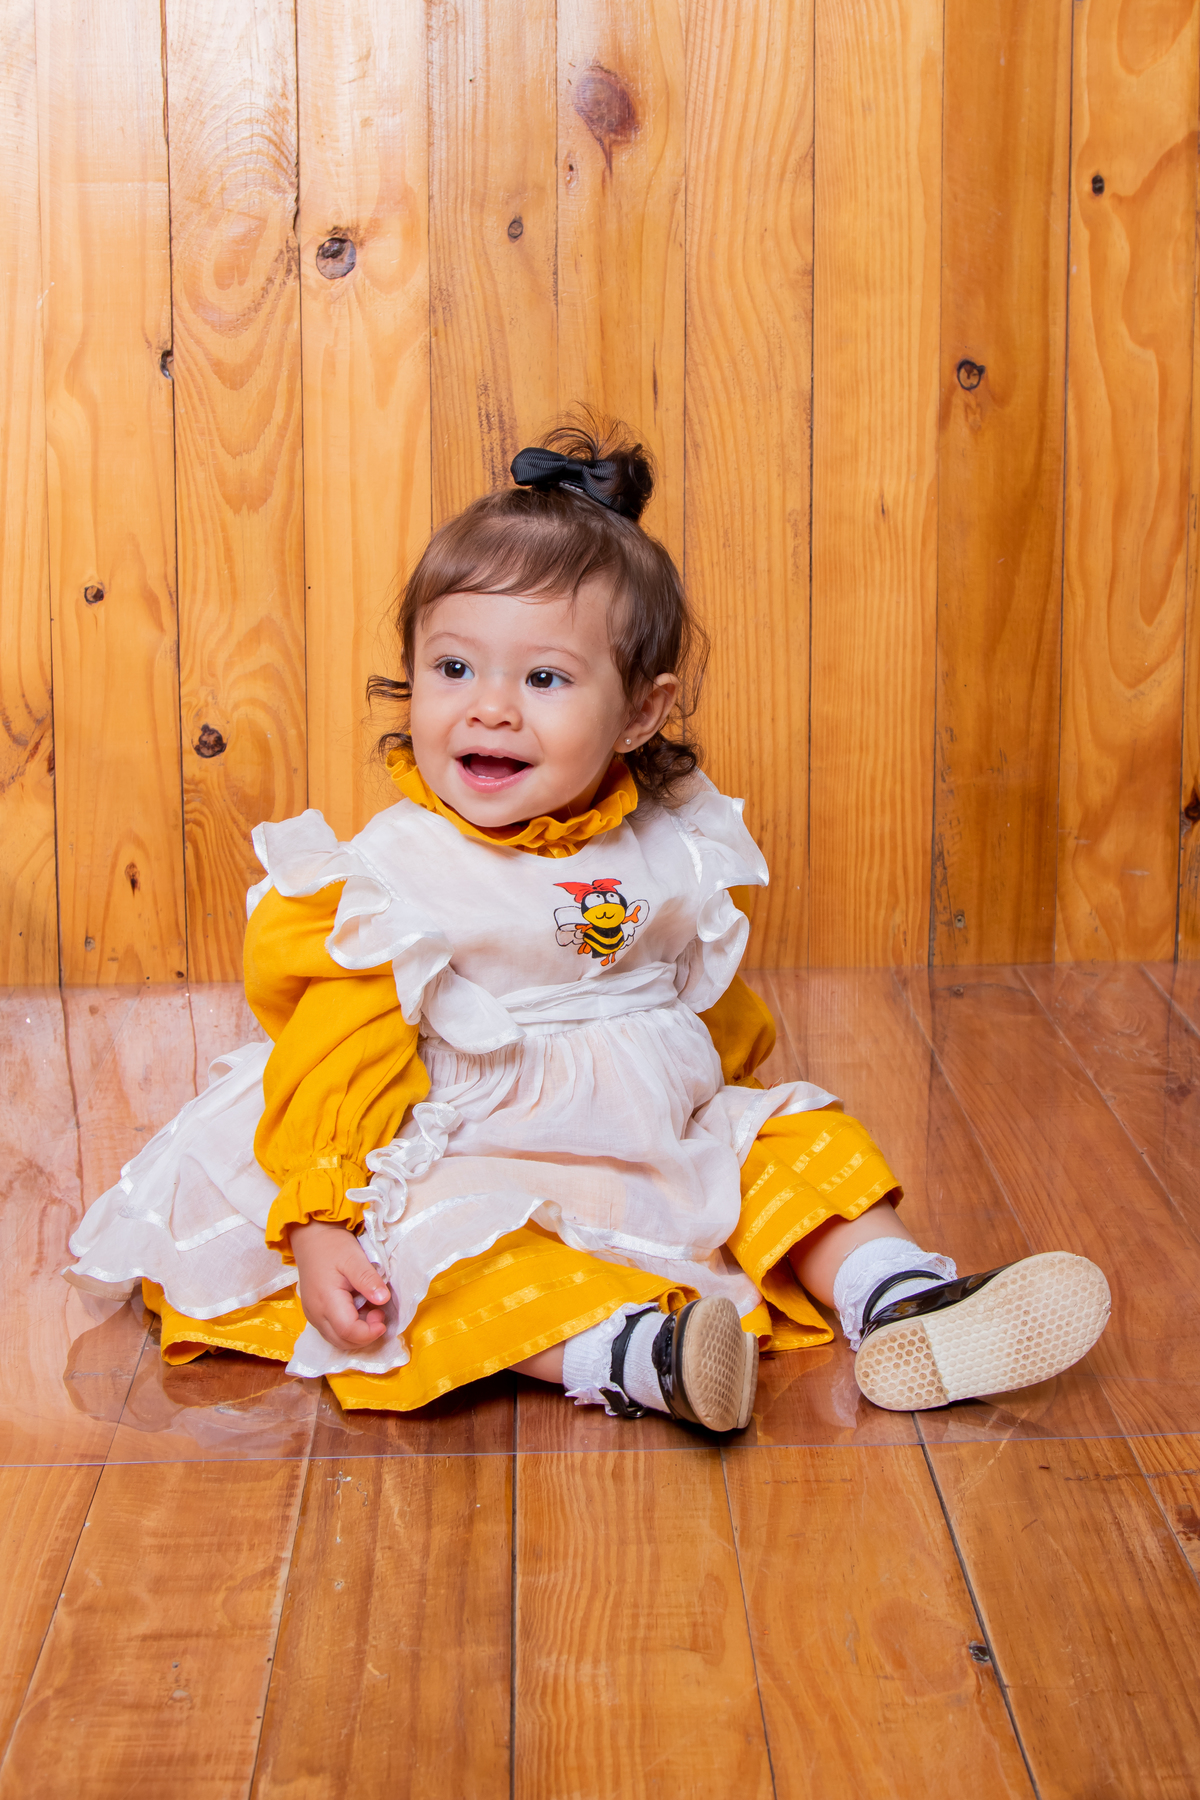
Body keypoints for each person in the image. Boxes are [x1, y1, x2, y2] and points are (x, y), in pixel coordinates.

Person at [64, 414, 1111, 1432]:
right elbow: (337, 1054)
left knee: (793, 1138)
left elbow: (696, 994)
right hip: (464, 1143)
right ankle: (630, 1355)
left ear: (640, 712)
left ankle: (899, 1295)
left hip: (643, 1133)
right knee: (442, 1257)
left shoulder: (668, 843)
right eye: (453, 668)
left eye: (545, 678)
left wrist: (723, 1107)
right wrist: (322, 1218)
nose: (489, 707)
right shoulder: (390, 882)